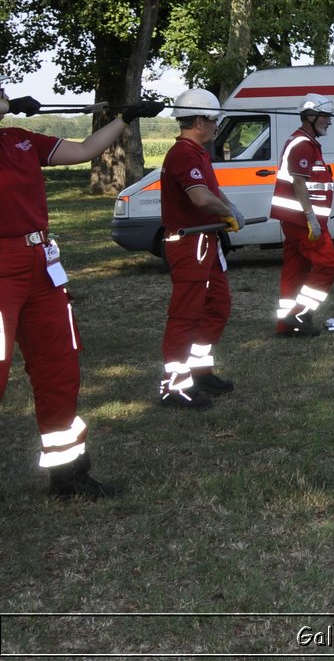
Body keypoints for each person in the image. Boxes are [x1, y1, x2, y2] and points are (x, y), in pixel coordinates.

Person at [1, 85, 161, 500]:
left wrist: (126, 118)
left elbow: (86, 149)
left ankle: (67, 473)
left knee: (59, 368)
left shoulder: (19, 139)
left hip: (39, 264)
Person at [158, 88, 244, 409]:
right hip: (189, 241)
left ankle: (199, 370)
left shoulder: (200, 153)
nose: (216, 126)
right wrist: (227, 213)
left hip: (207, 239)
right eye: (212, 120)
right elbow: (200, 198)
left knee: (217, 306)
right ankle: (174, 385)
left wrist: (230, 206)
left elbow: (214, 190)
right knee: (186, 316)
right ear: (197, 121)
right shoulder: (182, 154)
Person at [271, 93, 334, 336]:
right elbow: (299, 182)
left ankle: (285, 325)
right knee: (328, 265)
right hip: (303, 222)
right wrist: (311, 217)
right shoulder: (302, 144)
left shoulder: (304, 141)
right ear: (310, 116)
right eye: (326, 117)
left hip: (295, 220)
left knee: (294, 271)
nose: (330, 122)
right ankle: (299, 314)